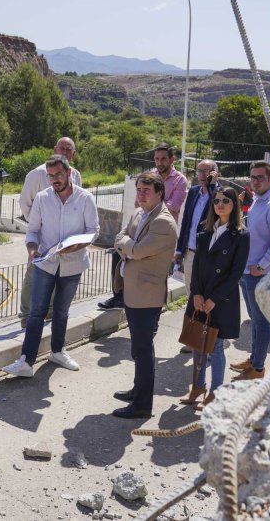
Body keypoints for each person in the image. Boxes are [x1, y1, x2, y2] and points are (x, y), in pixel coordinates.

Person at [2, 155, 99, 378]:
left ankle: (57, 352)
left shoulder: (85, 198)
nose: (55, 179)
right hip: (45, 264)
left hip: (73, 266)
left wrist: (74, 247)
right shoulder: (42, 198)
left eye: (59, 175)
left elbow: (93, 231)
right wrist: (32, 249)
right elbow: (33, 230)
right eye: (51, 176)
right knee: (36, 312)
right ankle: (26, 361)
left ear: (69, 173)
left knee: (61, 312)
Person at [110, 172, 178, 419]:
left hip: (147, 295)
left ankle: (142, 405)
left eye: (146, 190)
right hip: (134, 291)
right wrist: (127, 244)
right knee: (138, 350)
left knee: (143, 349)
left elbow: (137, 250)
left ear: (159, 193)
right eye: (138, 189)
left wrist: (126, 246)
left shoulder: (163, 223)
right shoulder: (140, 213)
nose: (140, 194)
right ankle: (138, 391)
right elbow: (120, 236)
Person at [97, 144, 187, 311]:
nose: (159, 162)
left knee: (156, 275)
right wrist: (150, 199)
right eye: (157, 159)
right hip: (140, 226)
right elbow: (138, 203)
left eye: (163, 159)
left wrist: (150, 202)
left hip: (159, 233)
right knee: (122, 258)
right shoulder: (150, 175)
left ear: (172, 159)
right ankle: (120, 297)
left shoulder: (180, 180)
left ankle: (154, 313)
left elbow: (173, 206)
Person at [183, 186, 248, 409]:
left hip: (221, 300)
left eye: (226, 200)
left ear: (234, 205)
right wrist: (196, 294)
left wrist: (213, 300)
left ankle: (215, 392)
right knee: (197, 343)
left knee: (216, 347)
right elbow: (198, 265)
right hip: (201, 295)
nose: (220, 204)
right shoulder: (205, 230)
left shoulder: (240, 234)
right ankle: (197, 387)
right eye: (217, 200)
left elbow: (235, 274)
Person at [230, 161, 270, 381]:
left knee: (262, 322)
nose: (255, 181)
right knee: (254, 319)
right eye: (252, 177)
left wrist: (261, 266)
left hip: (260, 274)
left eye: (260, 177)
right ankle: (254, 357)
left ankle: (258, 368)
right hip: (247, 271)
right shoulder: (257, 200)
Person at [17, 137, 81, 319]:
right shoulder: (37, 174)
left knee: (57, 274)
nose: (65, 152)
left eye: (69, 150)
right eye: (62, 148)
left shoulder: (76, 175)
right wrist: (37, 224)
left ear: (73, 155)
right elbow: (24, 202)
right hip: (41, 237)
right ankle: (26, 314)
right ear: (54, 149)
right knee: (34, 275)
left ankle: (49, 311)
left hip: (64, 237)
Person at [174, 160, 220, 287]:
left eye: (206, 171)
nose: (202, 175)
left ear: (215, 173)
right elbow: (186, 222)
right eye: (199, 171)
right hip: (189, 253)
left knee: (204, 294)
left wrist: (212, 186)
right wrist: (179, 249)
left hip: (208, 255)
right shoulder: (194, 192)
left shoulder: (222, 194)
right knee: (190, 294)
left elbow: (215, 212)